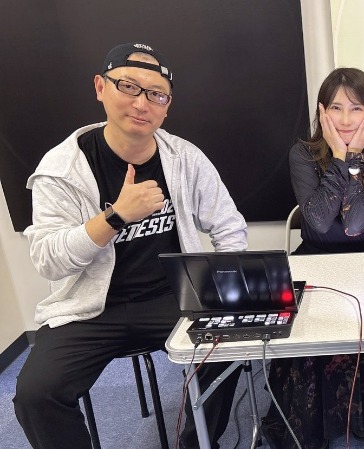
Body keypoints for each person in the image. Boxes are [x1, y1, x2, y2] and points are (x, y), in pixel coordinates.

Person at [13, 42, 248, 449]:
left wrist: (225, 288)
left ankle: (196, 443)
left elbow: (229, 227)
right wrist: (115, 216)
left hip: (173, 297)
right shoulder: (61, 169)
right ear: (100, 87)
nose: (142, 103)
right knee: (36, 395)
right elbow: (48, 260)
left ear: (167, 107)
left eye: (156, 94)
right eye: (128, 87)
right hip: (89, 309)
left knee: (229, 348)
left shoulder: (185, 159)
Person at [263, 67, 364, 449]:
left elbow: (356, 225)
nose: (345, 119)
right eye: (336, 108)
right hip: (313, 262)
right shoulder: (302, 155)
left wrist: (352, 158)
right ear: (322, 112)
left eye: (356, 108)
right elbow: (319, 220)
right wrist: (342, 160)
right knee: (311, 341)